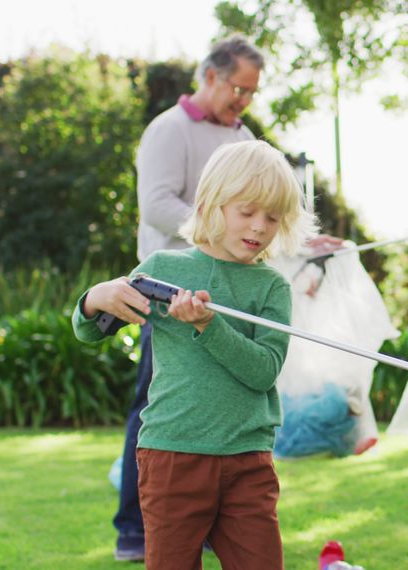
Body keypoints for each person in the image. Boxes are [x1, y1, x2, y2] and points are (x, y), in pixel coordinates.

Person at [74, 140, 310, 568]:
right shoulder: (162, 269)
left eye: (272, 217)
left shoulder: (272, 288)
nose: (259, 227)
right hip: (172, 455)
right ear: (211, 204)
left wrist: (208, 325)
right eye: (247, 212)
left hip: (247, 461)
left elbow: (263, 371)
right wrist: (95, 297)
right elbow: (88, 330)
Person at [112, 35, 264, 562]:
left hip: (229, 295)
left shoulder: (241, 136)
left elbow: (260, 208)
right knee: (155, 408)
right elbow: (155, 204)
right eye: (239, 87)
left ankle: (205, 518)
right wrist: (216, 234)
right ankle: (134, 527)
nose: (244, 99)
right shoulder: (169, 129)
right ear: (211, 76)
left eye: (251, 91)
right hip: (170, 294)